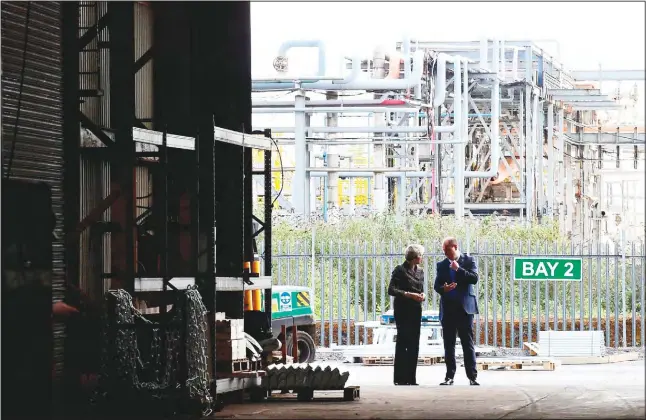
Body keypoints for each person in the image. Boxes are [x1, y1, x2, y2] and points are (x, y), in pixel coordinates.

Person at [433, 236, 480, 386]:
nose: (446, 253)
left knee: (467, 343)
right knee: (449, 344)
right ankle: (449, 376)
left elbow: (474, 278)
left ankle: (472, 377)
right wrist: (443, 289)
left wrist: (458, 269)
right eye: (444, 251)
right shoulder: (441, 265)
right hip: (448, 309)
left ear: (455, 247)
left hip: (465, 309)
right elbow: (437, 286)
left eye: (448, 250)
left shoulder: (468, 260)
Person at [388, 244, 426, 386]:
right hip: (403, 308)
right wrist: (409, 295)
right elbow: (391, 289)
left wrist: (422, 295)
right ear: (415, 257)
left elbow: (420, 289)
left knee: (414, 342)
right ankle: (399, 378)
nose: (422, 258)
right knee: (403, 341)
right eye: (420, 255)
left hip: (416, 308)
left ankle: (411, 378)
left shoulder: (421, 272)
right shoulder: (399, 270)